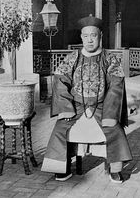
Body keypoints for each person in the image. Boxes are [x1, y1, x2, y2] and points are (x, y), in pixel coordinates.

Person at [41, 14, 132, 183]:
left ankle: (114, 169)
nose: (90, 40)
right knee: (60, 128)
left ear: (100, 36)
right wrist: (65, 108)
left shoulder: (109, 59)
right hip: (76, 107)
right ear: (81, 37)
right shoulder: (73, 58)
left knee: (115, 131)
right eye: (86, 36)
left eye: (93, 35)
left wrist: (110, 114)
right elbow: (60, 80)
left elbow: (116, 85)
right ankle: (63, 168)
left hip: (102, 107)